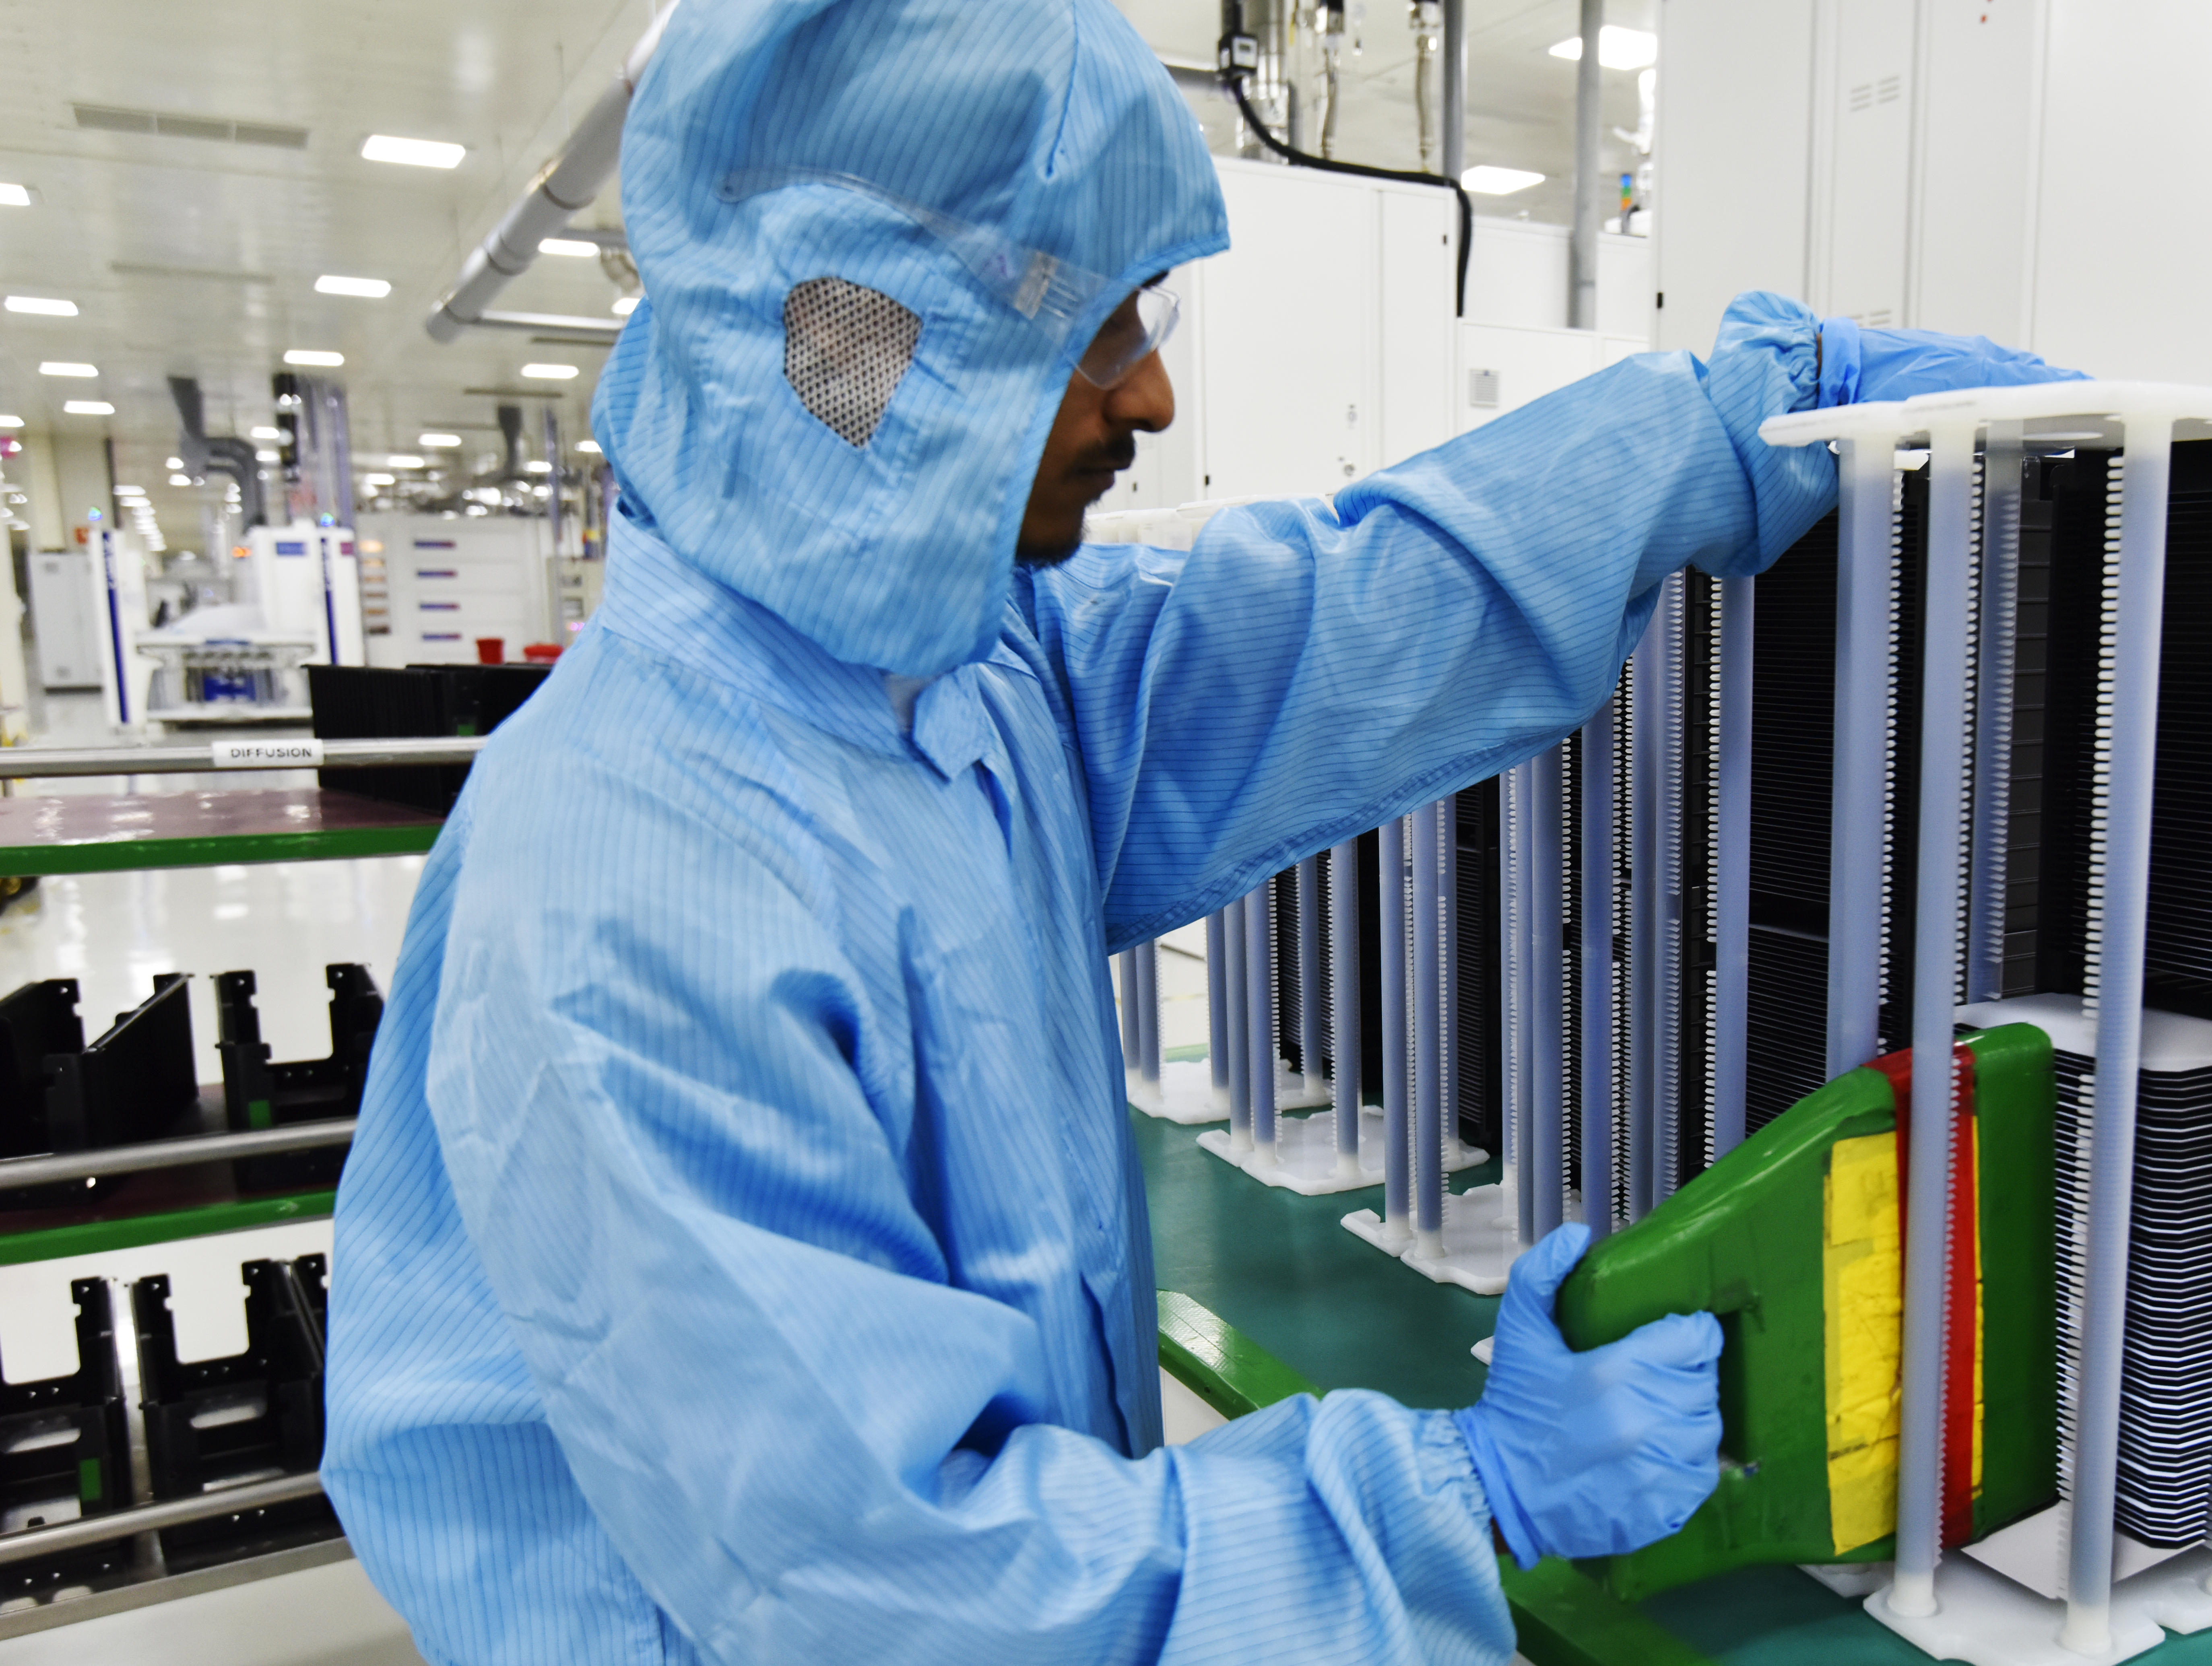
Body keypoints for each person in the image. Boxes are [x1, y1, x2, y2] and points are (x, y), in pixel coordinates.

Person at [318, 0, 2081, 1660]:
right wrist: (1467, 1492)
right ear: (859, 349)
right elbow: (906, 1593)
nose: (1150, 399)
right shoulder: (636, 886)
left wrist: (1713, 428)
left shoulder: (948, 672)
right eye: (1085, 330)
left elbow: (1334, 624)